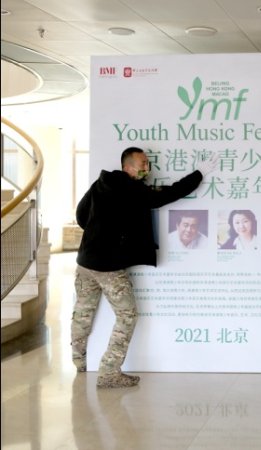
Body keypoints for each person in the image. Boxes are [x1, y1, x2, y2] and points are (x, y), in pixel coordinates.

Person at [72, 147, 217, 388]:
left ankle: (78, 362)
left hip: (85, 261)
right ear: (127, 167)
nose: (147, 168)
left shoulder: (102, 182)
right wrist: (199, 173)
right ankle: (108, 372)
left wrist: (97, 233)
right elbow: (167, 195)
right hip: (107, 267)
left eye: (147, 163)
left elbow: (81, 214)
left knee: (82, 313)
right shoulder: (131, 188)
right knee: (127, 315)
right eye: (143, 164)